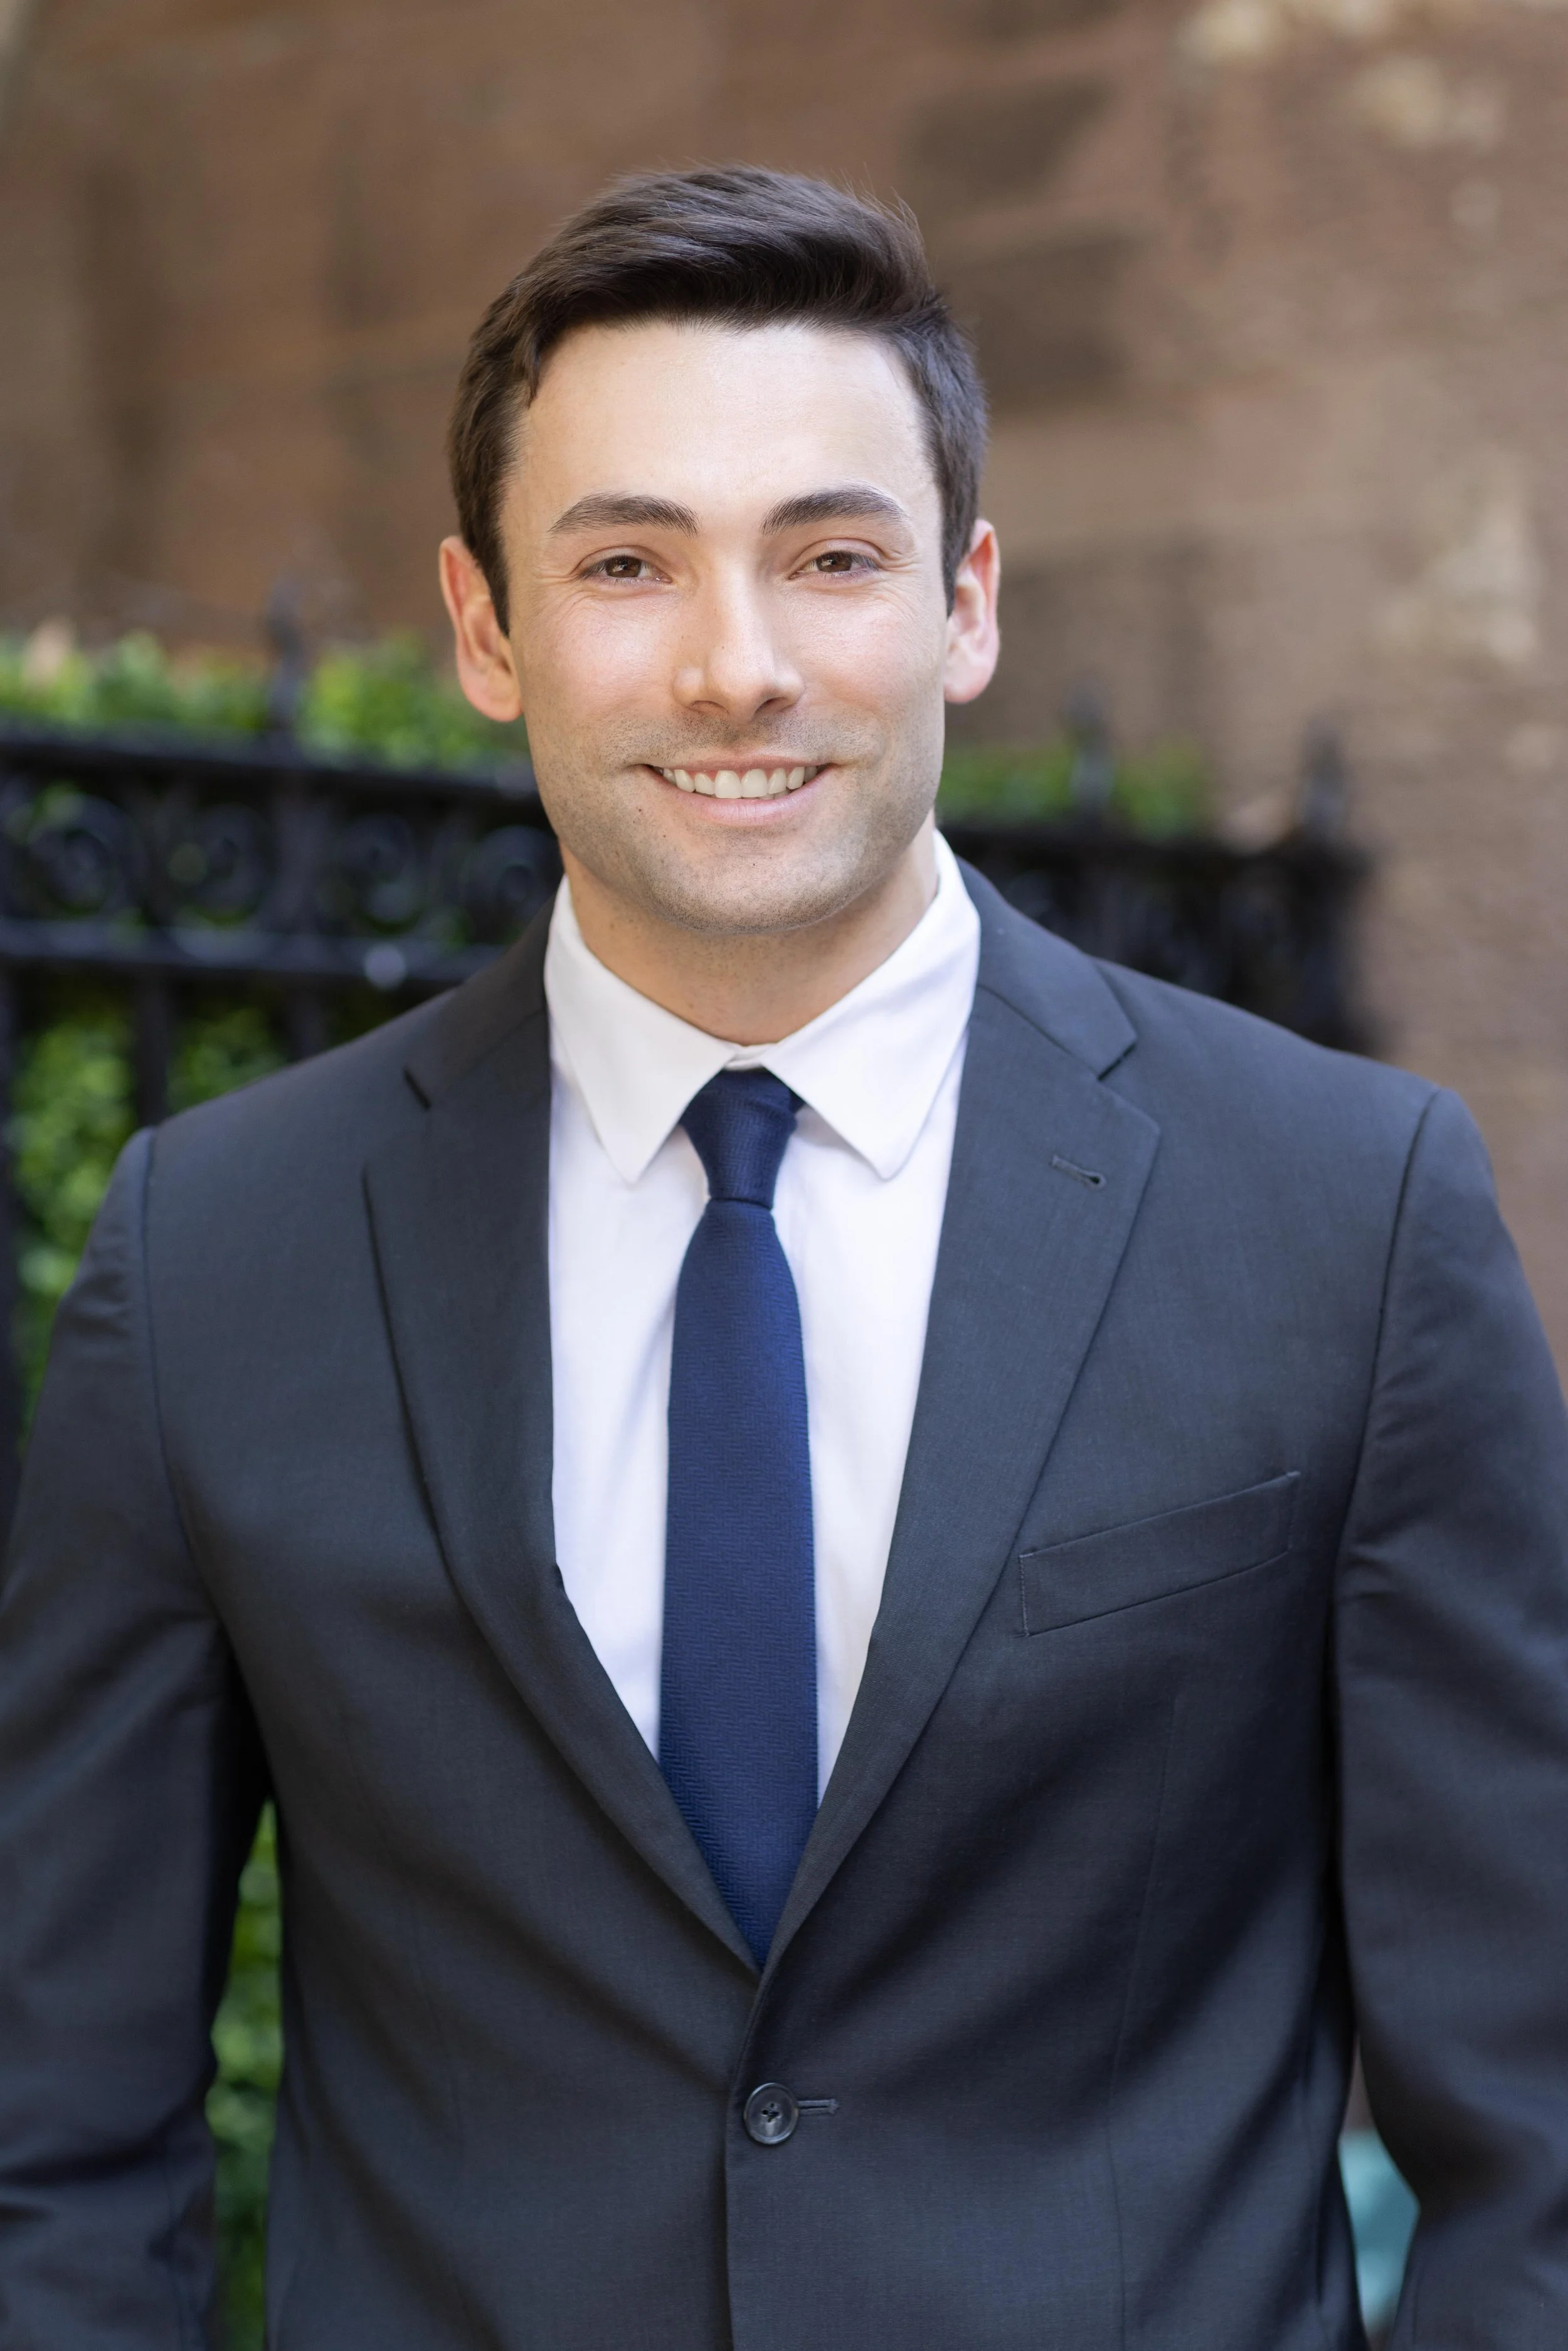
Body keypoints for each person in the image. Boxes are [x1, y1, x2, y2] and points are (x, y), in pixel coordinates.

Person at [2, 165, 1566, 2351]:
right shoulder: (216, 1254)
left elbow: (1537, 2130)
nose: (736, 667)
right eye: (625, 563)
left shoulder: (1342, 1205)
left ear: (966, 603)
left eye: (829, 556)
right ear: (482, 628)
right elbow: (49, 2135)